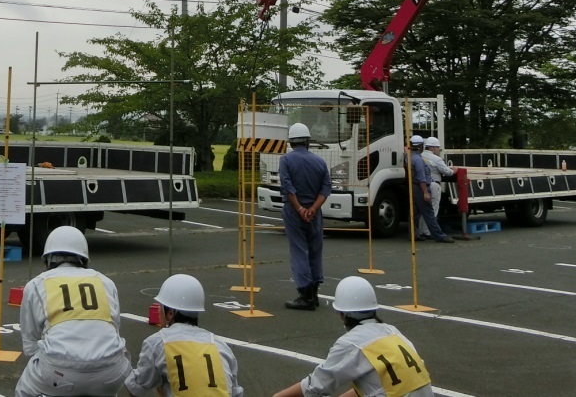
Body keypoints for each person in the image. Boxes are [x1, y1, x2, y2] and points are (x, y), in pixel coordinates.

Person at [271, 276, 433, 397]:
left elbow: (316, 386)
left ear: (341, 314)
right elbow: (382, 385)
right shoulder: (393, 332)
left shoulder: (351, 343)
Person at [16, 226, 130, 397]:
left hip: (60, 373)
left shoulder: (37, 284)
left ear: (48, 259)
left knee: (23, 391)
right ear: (84, 258)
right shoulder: (105, 282)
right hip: (112, 371)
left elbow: (31, 344)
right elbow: (114, 328)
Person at [125, 274, 242, 397]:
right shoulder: (220, 345)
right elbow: (235, 392)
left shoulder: (157, 342)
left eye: (160, 306)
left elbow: (136, 390)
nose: (158, 311)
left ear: (170, 313)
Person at [278, 123, 332, 310]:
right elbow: (326, 188)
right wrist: (313, 209)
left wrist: (300, 209)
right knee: (315, 250)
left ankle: (305, 295)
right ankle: (315, 293)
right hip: (315, 212)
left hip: (294, 211)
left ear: (291, 142)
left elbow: (287, 186)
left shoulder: (286, 160)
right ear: (308, 141)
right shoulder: (319, 162)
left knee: (299, 250)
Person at [408, 136, 453, 243]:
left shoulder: (411, 157)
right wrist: (425, 192)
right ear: (420, 146)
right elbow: (422, 178)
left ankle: (416, 234)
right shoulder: (419, 159)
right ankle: (438, 235)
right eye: (438, 148)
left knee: (415, 213)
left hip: (414, 187)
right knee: (430, 212)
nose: (439, 150)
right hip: (423, 187)